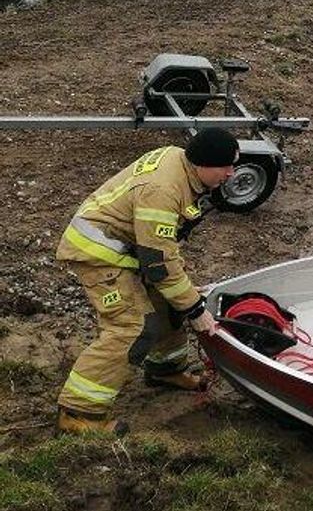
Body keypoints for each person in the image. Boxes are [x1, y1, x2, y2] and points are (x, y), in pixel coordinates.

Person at [54, 128, 239, 435]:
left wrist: (185, 301)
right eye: (225, 167)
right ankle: (76, 413)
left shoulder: (178, 159)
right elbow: (159, 264)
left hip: (129, 249)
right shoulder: (163, 190)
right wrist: (196, 309)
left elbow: (159, 252)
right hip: (99, 255)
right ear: (203, 164)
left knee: (171, 304)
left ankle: (165, 370)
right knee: (132, 326)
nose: (231, 174)